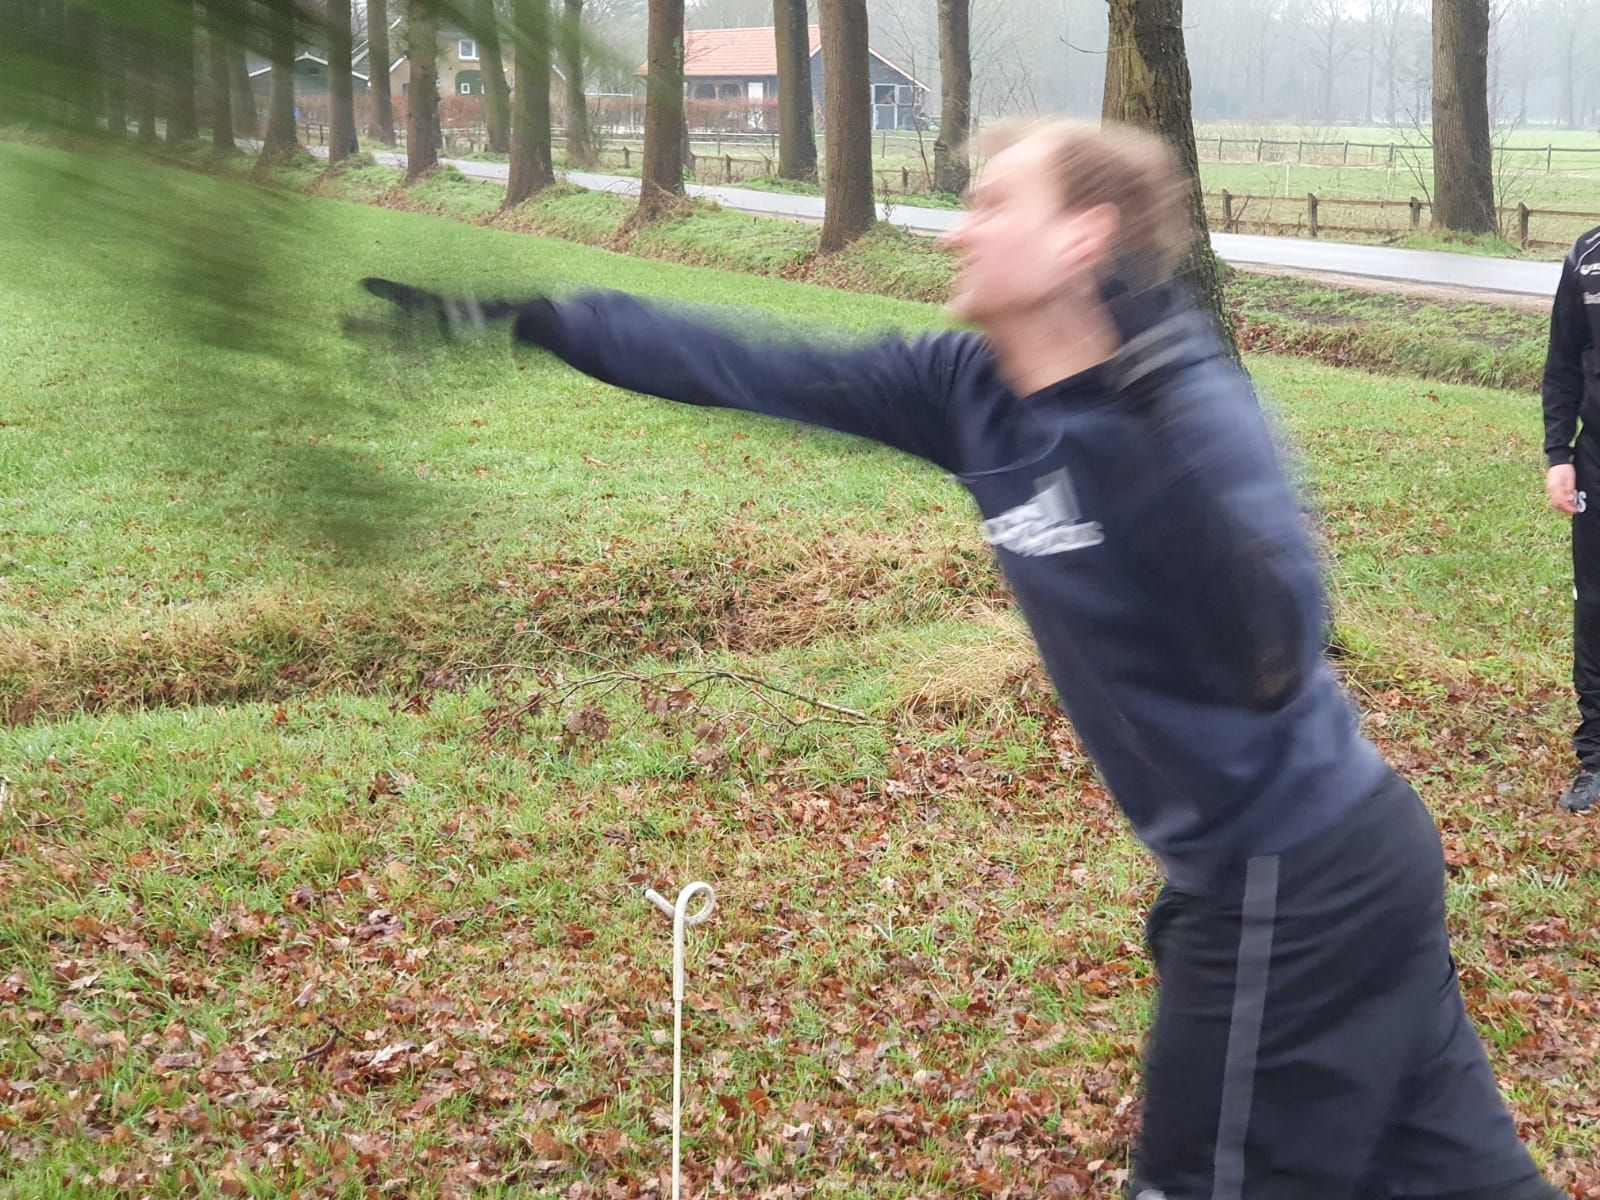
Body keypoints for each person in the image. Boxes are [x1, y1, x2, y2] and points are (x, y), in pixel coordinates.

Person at [360, 121, 1563, 1199]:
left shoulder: (1180, 403)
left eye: (992, 204)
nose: (956, 228)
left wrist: (1158, 456)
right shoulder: (968, 392)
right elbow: (756, 364)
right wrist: (547, 319)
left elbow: (1271, 640)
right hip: (1319, 868)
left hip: (1288, 885)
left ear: (1082, 237)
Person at [1542, 223, 1600, 814]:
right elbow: (1562, 361)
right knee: (1595, 607)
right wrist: (1559, 454)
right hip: (1596, 464)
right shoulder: (1587, 256)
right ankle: (1596, 755)